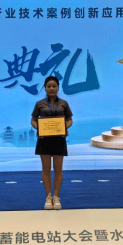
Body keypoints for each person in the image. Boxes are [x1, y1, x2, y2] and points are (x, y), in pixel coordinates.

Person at [31, 76, 73, 210]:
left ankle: (56, 197)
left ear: (58, 88)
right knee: (46, 169)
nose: (51, 88)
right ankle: (48, 197)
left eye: (54, 86)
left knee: (58, 169)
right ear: (45, 88)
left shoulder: (64, 103)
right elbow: (33, 120)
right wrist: (40, 129)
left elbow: (70, 120)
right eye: (49, 86)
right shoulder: (39, 104)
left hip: (59, 140)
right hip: (44, 141)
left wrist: (65, 127)